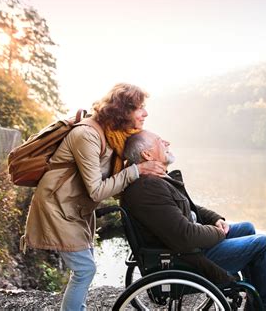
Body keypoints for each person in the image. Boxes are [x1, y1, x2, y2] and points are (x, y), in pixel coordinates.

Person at [21, 83, 166, 311]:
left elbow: (115, 182)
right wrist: (137, 170)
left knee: (84, 267)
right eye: (140, 108)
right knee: (84, 269)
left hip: (75, 210)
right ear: (122, 110)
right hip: (57, 208)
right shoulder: (87, 135)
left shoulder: (114, 137)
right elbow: (97, 190)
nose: (145, 113)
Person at [122, 130, 266, 311]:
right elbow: (185, 236)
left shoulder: (156, 180)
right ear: (147, 154)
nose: (167, 142)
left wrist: (215, 219)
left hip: (188, 248)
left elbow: (189, 207)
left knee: (247, 228)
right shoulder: (148, 188)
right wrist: (217, 233)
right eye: (160, 141)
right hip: (187, 258)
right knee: (263, 244)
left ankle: (256, 303)